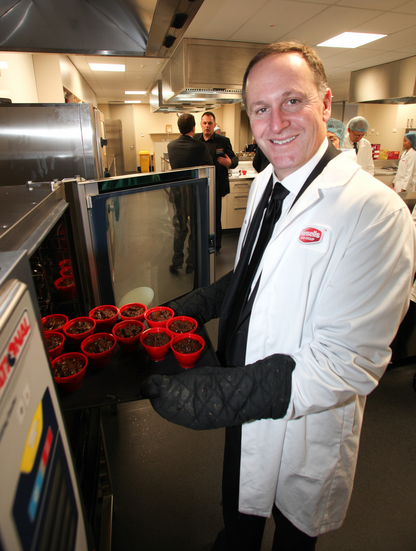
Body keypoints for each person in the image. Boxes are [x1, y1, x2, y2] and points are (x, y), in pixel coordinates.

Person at [141, 42, 416, 550]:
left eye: (293, 101)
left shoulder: (373, 214)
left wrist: (222, 394)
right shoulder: (270, 179)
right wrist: (189, 308)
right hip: (243, 388)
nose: (276, 123)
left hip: (301, 414)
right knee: (238, 513)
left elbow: (349, 362)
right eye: (260, 109)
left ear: (327, 104)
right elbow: (251, 273)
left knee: (292, 532)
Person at [167, 113, 213, 275]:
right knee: (194, 227)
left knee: (180, 227)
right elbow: (210, 165)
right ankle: (191, 263)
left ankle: (176, 261)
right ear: (194, 128)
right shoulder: (200, 147)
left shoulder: (171, 146)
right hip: (193, 192)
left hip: (177, 192)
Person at [194, 112, 238, 252]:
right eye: (205, 123)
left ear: (214, 125)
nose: (207, 126)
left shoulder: (223, 141)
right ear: (201, 124)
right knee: (199, 216)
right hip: (199, 185)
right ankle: (200, 242)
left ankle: (216, 245)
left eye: (210, 123)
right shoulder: (195, 140)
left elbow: (235, 159)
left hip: (216, 185)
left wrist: (230, 162)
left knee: (215, 217)